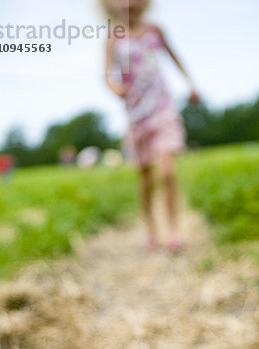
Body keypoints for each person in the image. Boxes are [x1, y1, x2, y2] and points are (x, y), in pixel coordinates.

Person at [102, 0, 199, 250]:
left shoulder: (154, 30)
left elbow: (174, 56)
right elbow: (106, 75)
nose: (127, 5)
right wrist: (116, 88)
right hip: (136, 115)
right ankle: (151, 229)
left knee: (167, 173)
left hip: (164, 108)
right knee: (145, 176)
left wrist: (191, 85)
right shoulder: (114, 38)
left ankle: (173, 230)